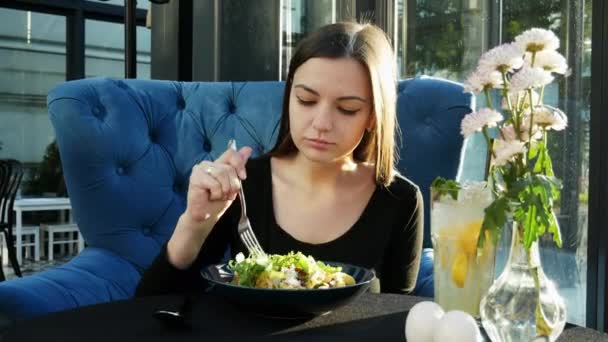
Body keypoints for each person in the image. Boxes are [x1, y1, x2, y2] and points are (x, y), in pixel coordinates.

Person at [135, 22, 423, 296]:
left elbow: (399, 313)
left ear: (373, 116)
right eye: (306, 100)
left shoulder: (400, 199)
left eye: (347, 108)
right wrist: (196, 222)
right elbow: (152, 306)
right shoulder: (243, 183)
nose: (321, 123)